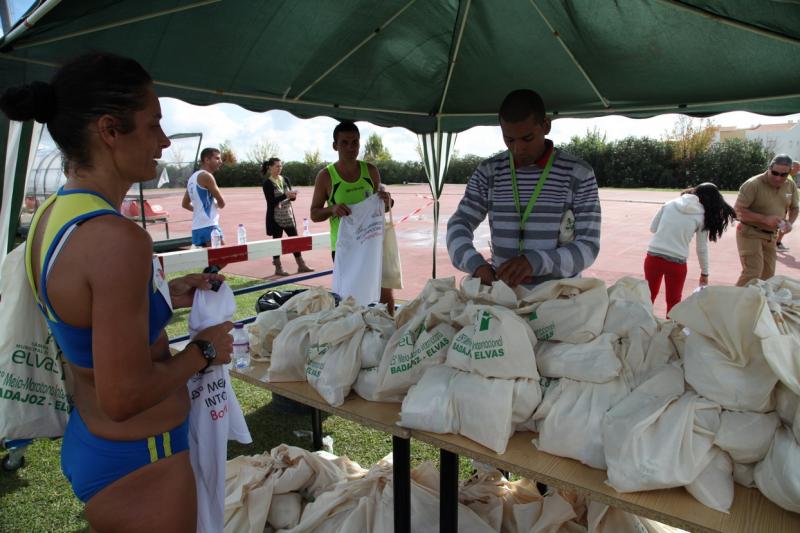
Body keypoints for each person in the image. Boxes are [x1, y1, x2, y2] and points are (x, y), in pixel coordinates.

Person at [1, 53, 234, 531]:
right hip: (142, 457)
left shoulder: (54, 216)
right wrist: (205, 350)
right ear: (110, 129)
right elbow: (124, 395)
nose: (164, 142)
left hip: (99, 443)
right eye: (154, 126)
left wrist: (163, 296)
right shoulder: (116, 239)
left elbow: (87, 318)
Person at [446, 89, 601, 288]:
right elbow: (459, 224)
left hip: (558, 295)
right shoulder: (489, 172)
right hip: (503, 295)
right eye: (509, 139)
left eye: (527, 138)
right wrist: (475, 265)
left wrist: (534, 262)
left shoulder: (578, 174)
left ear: (545, 126)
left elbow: (588, 247)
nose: (518, 149)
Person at [310, 120, 394, 312]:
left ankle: (389, 331)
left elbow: (383, 207)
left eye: (354, 142)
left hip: (372, 242)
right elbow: (314, 214)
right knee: (350, 299)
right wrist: (332, 209)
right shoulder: (326, 176)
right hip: (345, 246)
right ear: (335, 146)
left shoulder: (371, 171)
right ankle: (354, 336)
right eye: (344, 143)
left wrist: (387, 200)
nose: (350, 147)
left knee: (383, 292)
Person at [644, 183, 736, 315]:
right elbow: (701, 248)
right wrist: (704, 273)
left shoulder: (669, 204)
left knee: (648, 296)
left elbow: (653, 228)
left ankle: (643, 327)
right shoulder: (702, 216)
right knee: (674, 301)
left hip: (653, 256)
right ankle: (672, 333)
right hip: (677, 262)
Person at [734, 154, 799, 286]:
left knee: (768, 276)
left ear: (789, 172)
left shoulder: (790, 185)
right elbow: (737, 211)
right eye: (774, 173)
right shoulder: (753, 184)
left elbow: (795, 208)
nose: (778, 177)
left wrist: (789, 223)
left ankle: (758, 304)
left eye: (783, 175)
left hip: (771, 236)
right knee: (753, 272)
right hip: (750, 232)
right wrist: (764, 219)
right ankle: (735, 304)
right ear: (769, 168)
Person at [261, 157, 314, 276]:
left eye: (281, 166)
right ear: (270, 167)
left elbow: (292, 199)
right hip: (276, 218)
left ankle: (301, 265)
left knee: (295, 240)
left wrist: (293, 195)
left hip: (288, 215)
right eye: (277, 166)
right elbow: (271, 202)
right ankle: (278, 267)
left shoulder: (285, 179)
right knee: (276, 242)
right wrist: (285, 194)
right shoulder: (267, 183)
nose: (280, 168)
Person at [182, 147, 226, 247]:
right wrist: (216, 204)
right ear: (206, 160)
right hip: (209, 226)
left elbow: (184, 204)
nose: (220, 161)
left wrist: (199, 210)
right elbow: (222, 203)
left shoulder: (192, 178)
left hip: (196, 228)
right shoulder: (207, 176)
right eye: (217, 158)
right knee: (224, 258)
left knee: (206, 260)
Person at [775, 160, 799, 251]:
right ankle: (776, 243)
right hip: (781, 207)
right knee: (783, 225)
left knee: (783, 225)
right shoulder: (786, 176)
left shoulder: (790, 178)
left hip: (785, 206)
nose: (798, 171)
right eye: (797, 168)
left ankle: (777, 243)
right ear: (792, 167)